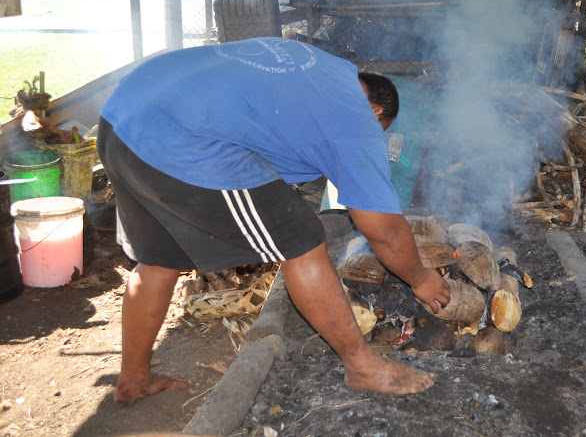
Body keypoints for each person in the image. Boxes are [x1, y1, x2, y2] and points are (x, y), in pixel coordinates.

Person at [97, 37, 451, 404]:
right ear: (376, 111)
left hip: (123, 116)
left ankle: (134, 379)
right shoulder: (357, 119)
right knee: (300, 239)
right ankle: (364, 367)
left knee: (158, 261)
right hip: (184, 142)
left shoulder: (321, 66)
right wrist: (420, 279)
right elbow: (384, 231)